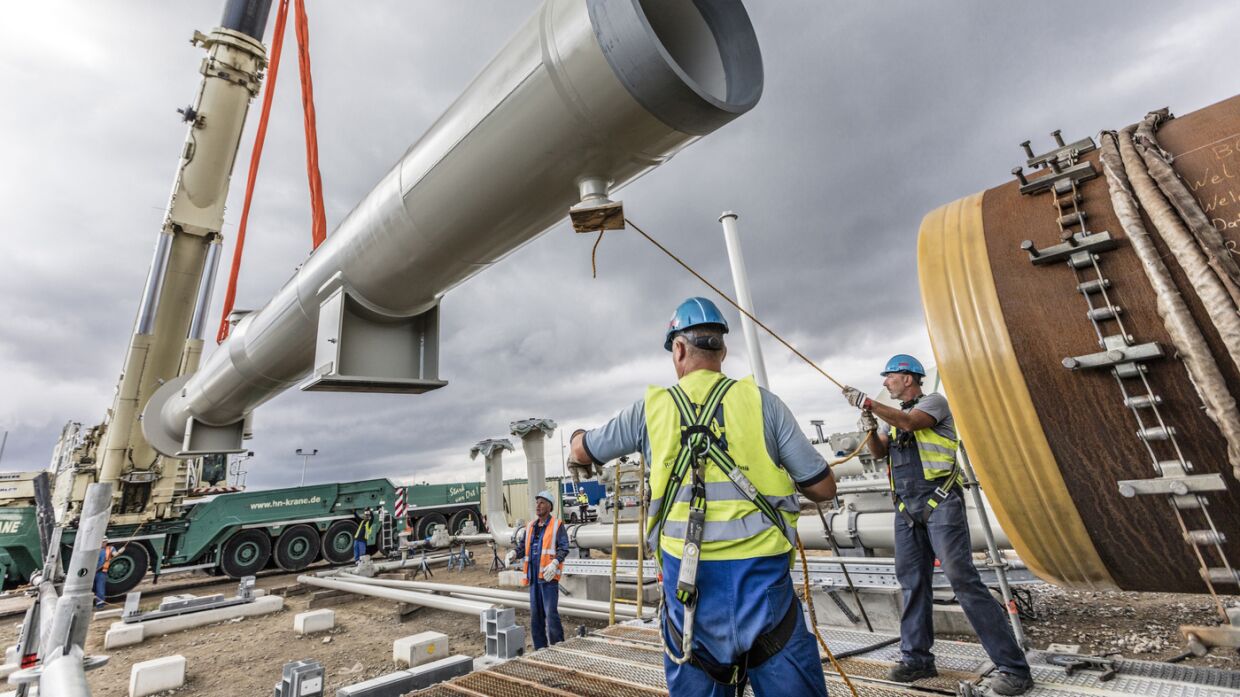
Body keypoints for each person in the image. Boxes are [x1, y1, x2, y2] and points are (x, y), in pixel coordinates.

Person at [571, 297, 836, 697]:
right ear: (723, 350)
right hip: (764, 591)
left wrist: (576, 439)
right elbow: (822, 487)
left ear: (678, 349)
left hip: (688, 593)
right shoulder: (765, 404)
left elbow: (582, 451)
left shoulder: (650, 411)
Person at [842, 354, 1033, 696]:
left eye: (890, 377)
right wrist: (869, 423)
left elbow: (912, 423)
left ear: (909, 378)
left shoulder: (933, 403)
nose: (886, 383)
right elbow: (879, 451)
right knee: (912, 583)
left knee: (963, 580)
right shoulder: (891, 417)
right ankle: (916, 659)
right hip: (906, 509)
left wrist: (870, 402)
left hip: (939, 501)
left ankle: (1014, 669)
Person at [512, 490, 569, 649]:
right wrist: (514, 553)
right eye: (537, 502)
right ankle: (540, 649)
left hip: (548, 579)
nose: (538, 506)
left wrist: (555, 562)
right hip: (534, 579)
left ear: (549, 507)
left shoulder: (557, 525)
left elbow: (564, 547)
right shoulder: (530, 526)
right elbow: (523, 547)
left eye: (542, 502)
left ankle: (558, 648)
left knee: (551, 616)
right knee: (536, 617)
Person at [94, 537, 116, 609]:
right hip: (92, 572)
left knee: (100, 589)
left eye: (105, 542)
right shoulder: (94, 549)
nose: (103, 543)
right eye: (102, 542)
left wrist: (119, 552)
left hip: (101, 573)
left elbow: (115, 554)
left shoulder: (109, 549)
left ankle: (100, 605)